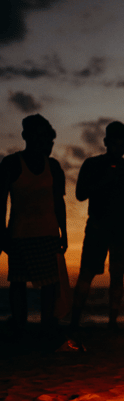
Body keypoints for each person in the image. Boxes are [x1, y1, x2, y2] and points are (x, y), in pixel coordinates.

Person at [70, 121, 124, 330]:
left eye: (123, 144)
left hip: (122, 227)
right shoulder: (92, 165)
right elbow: (80, 194)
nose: (119, 148)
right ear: (106, 142)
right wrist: (104, 180)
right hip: (98, 225)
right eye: (116, 143)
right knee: (87, 272)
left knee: (118, 275)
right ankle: (74, 321)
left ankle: (112, 322)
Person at [0, 114, 67, 338]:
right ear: (26, 137)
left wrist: (64, 232)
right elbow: (1, 201)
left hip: (48, 233)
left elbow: (59, 202)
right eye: (41, 139)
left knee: (50, 284)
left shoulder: (54, 167)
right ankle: (20, 324)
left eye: (48, 141)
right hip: (19, 233)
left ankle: (48, 324)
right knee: (18, 282)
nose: (46, 144)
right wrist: (2, 232)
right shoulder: (11, 164)